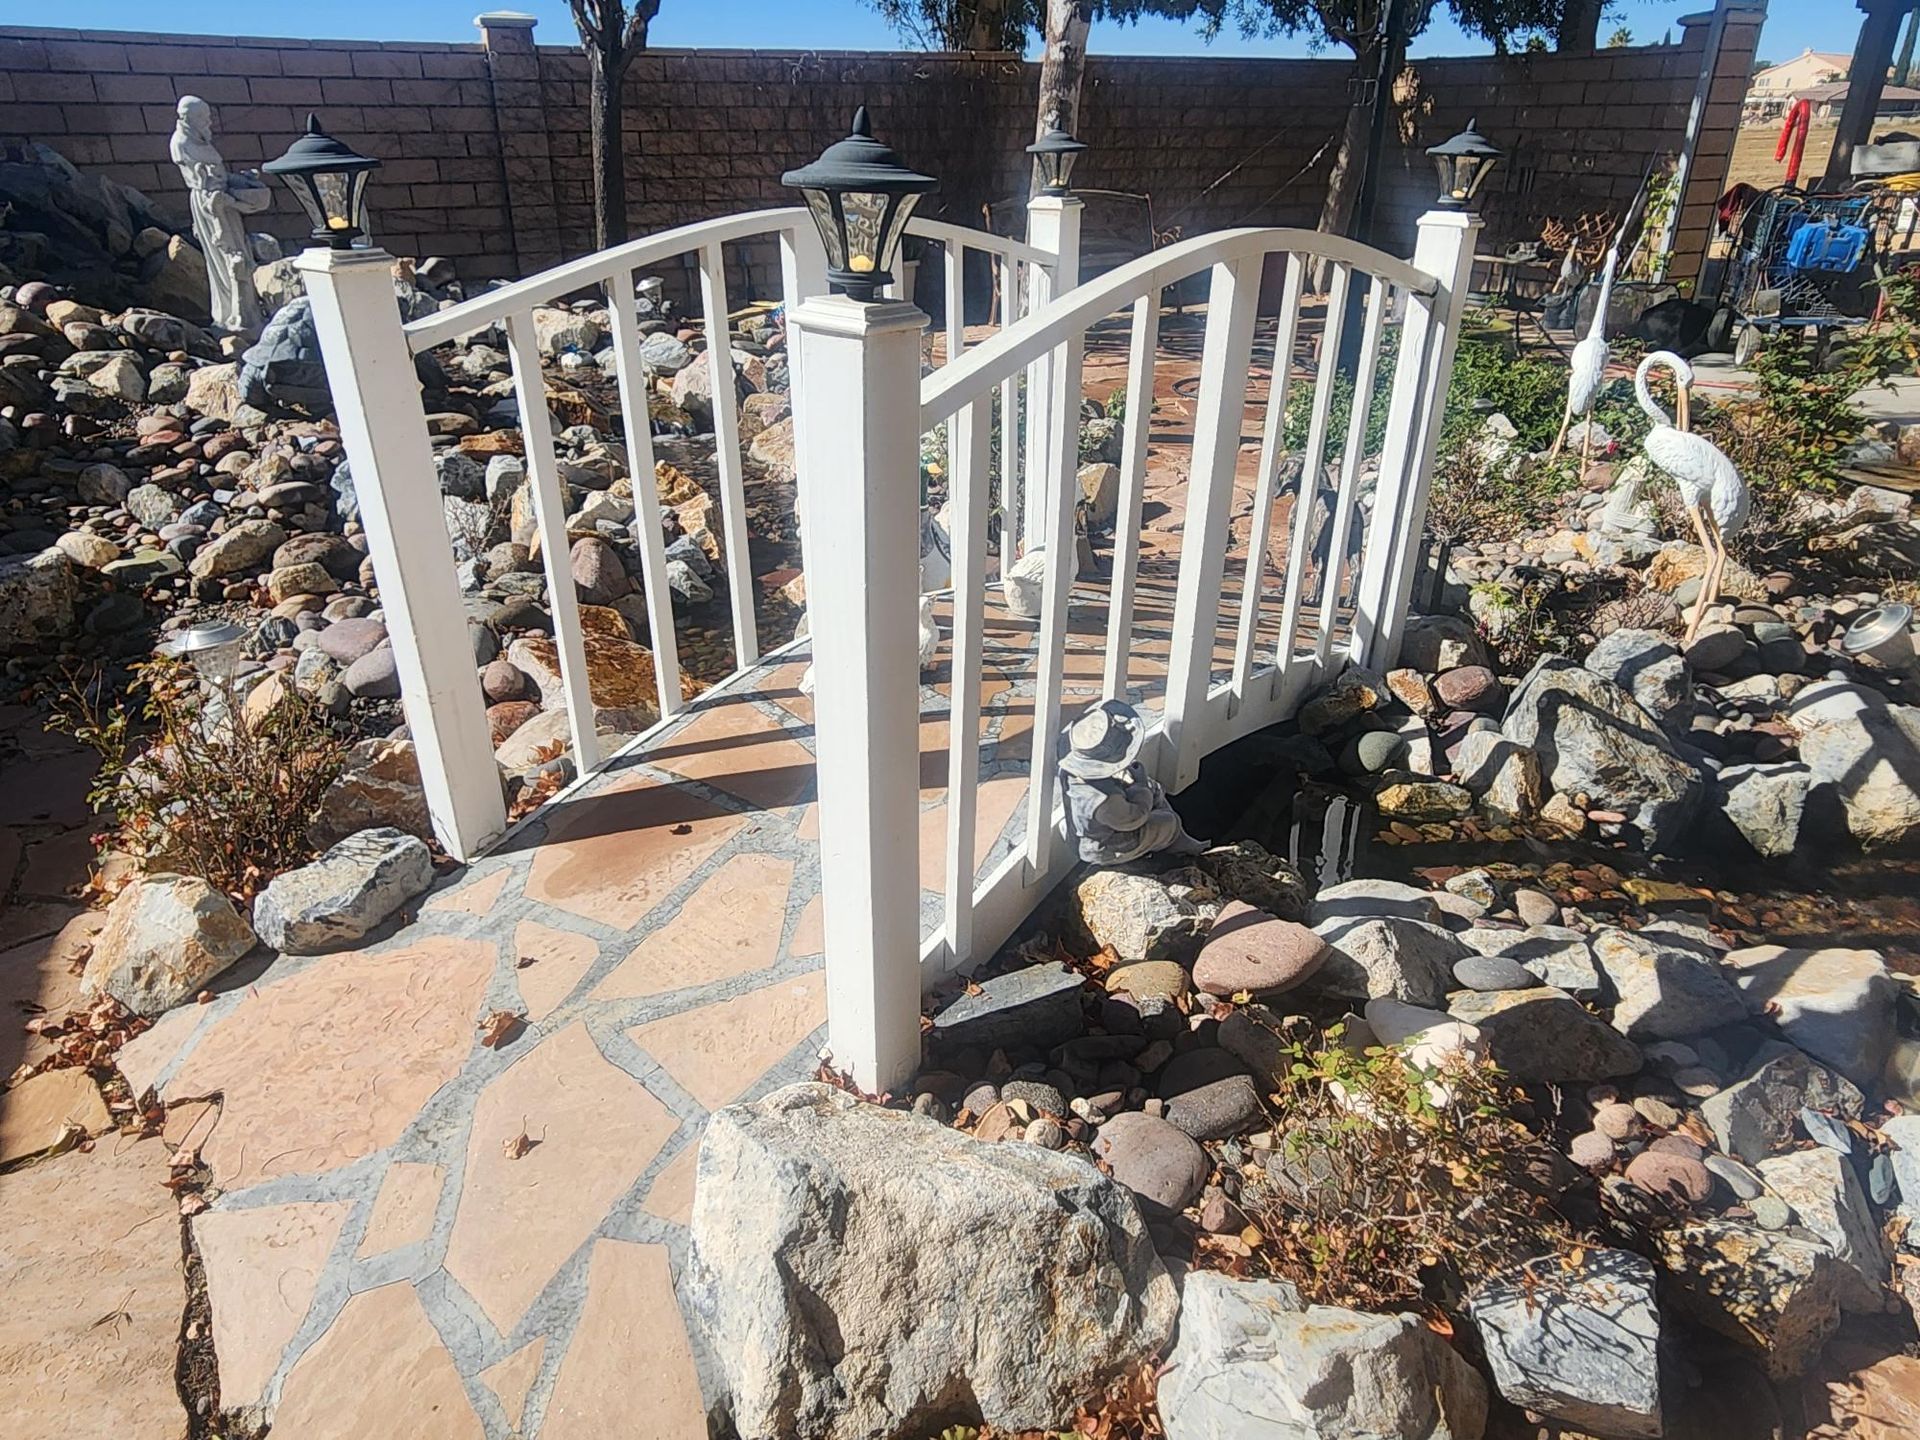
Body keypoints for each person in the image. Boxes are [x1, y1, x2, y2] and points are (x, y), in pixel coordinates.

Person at [169, 96, 265, 335]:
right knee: (227, 258)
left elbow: (219, 174)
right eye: (204, 117)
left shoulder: (201, 139)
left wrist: (241, 179)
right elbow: (204, 180)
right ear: (189, 118)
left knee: (239, 254)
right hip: (210, 205)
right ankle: (231, 315)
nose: (209, 122)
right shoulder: (181, 143)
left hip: (222, 200)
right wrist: (223, 190)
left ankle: (247, 313)